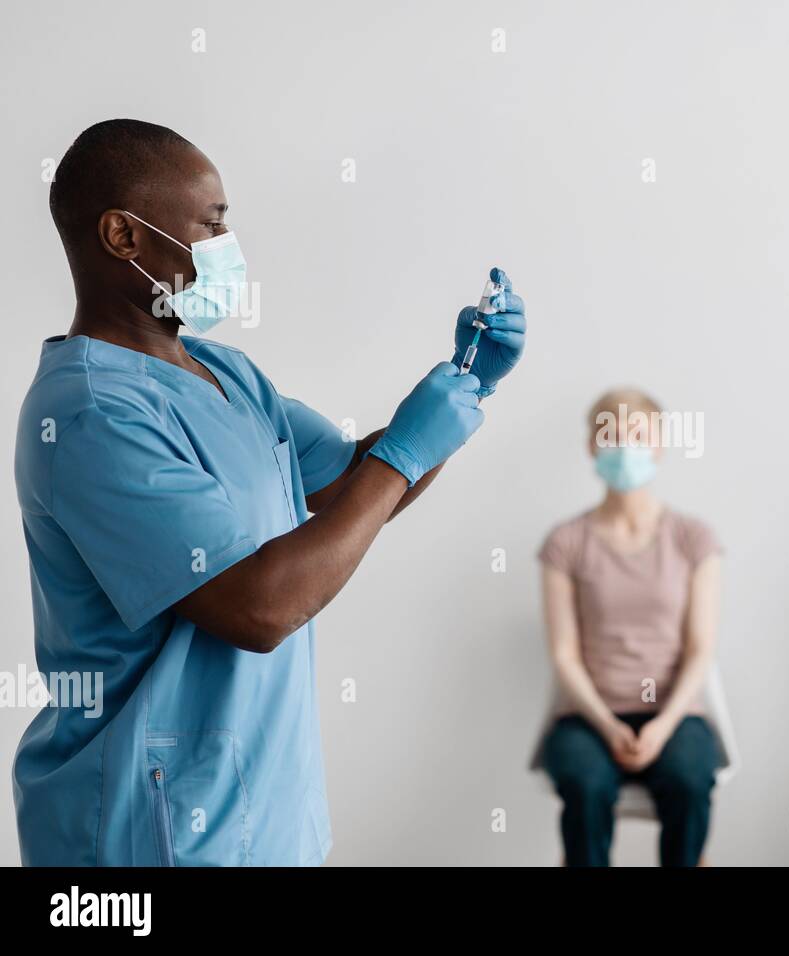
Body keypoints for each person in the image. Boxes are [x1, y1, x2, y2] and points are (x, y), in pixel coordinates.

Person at [11, 119, 526, 865]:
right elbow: (258, 607)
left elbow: (354, 482)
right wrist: (407, 451)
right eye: (211, 227)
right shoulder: (90, 411)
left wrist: (468, 382)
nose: (229, 250)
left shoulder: (230, 376)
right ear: (125, 236)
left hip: (264, 815)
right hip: (144, 833)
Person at [538, 389, 722, 866]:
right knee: (584, 784)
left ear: (659, 445)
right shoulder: (565, 543)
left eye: (637, 436)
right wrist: (607, 723)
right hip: (587, 715)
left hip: (675, 713)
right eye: (612, 437)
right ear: (591, 449)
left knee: (688, 780)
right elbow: (564, 655)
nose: (625, 447)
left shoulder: (692, 538)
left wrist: (661, 727)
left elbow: (701, 649)